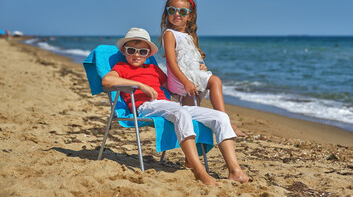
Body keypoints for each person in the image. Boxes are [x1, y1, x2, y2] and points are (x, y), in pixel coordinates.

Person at [102, 27, 249, 186]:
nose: (136, 55)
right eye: (131, 50)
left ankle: (235, 171)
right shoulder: (122, 67)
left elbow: (173, 87)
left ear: (148, 54)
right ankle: (199, 171)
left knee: (221, 117)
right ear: (124, 51)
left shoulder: (154, 69)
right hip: (144, 106)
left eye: (142, 52)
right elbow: (107, 81)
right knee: (180, 113)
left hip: (167, 105)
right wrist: (139, 85)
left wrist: (197, 71)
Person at [159, 0, 246, 137]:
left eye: (182, 11)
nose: (177, 14)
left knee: (194, 115)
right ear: (167, 13)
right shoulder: (169, 34)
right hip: (180, 80)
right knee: (214, 82)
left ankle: (193, 155)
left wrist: (200, 67)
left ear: (190, 16)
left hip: (190, 76)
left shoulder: (189, 36)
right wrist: (186, 82)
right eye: (172, 10)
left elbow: (189, 58)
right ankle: (225, 121)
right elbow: (171, 62)